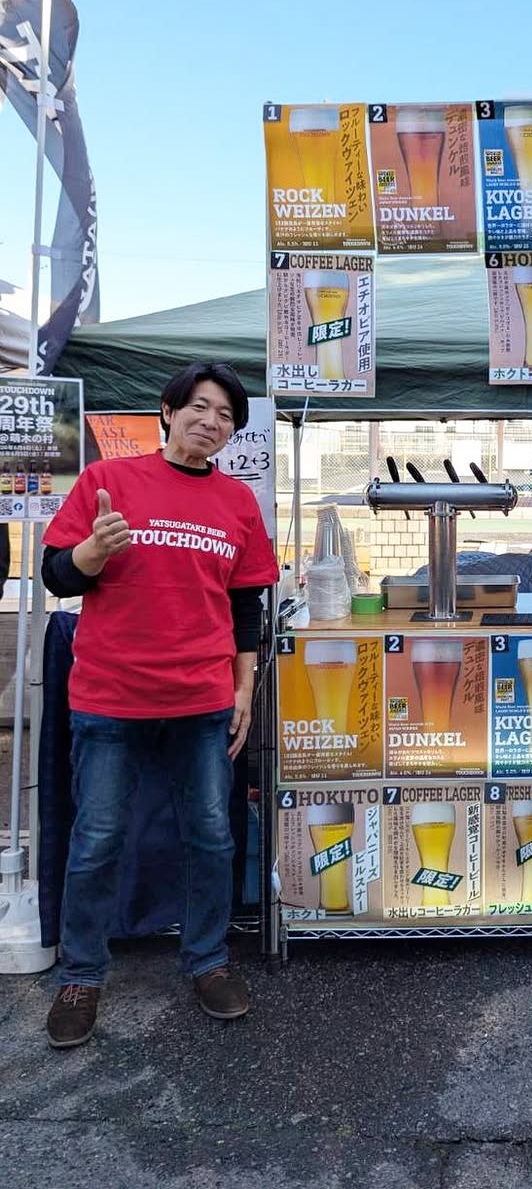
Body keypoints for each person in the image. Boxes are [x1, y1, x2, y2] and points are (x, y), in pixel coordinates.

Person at [40, 362, 279, 1049]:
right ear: (168, 412)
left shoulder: (237, 501)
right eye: (199, 406)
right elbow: (57, 573)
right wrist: (90, 552)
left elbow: (246, 608)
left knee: (210, 835)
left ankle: (207, 959)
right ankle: (81, 974)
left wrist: (243, 689)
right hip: (110, 696)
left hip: (202, 700)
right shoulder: (107, 481)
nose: (211, 421)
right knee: (97, 839)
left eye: (225, 414)